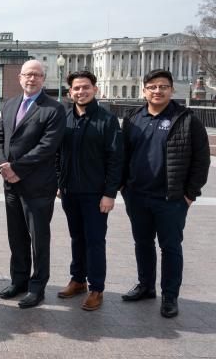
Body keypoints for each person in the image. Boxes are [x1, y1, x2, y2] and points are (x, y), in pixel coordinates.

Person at [120, 69, 210, 318]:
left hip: (171, 199)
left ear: (171, 90)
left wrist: (190, 194)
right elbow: (122, 155)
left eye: (163, 86)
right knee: (143, 244)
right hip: (137, 195)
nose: (157, 91)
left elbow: (201, 161)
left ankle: (170, 296)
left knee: (170, 248)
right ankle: (146, 286)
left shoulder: (187, 119)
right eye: (152, 86)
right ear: (144, 90)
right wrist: (123, 187)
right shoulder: (133, 118)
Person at [0, 59, 65, 308]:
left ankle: (37, 287)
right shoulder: (10, 104)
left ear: (43, 79)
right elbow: (1, 138)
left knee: (39, 239)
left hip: (37, 186)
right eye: (27, 74)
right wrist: (5, 166)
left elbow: (47, 147)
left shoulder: (54, 108)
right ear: (20, 78)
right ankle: (19, 281)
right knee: (16, 236)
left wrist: (17, 169)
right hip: (11, 184)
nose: (31, 79)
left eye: (36, 75)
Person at [55, 71, 123, 311]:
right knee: (77, 238)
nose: (80, 92)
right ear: (70, 92)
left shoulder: (107, 119)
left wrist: (110, 193)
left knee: (95, 241)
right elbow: (57, 153)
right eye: (76, 88)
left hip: (96, 193)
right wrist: (58, 181)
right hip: (69, 190)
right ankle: (78, 280)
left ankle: (97, 288)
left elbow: (116, 159)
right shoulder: (64, 117)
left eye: (85, 87)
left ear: (94, 89)